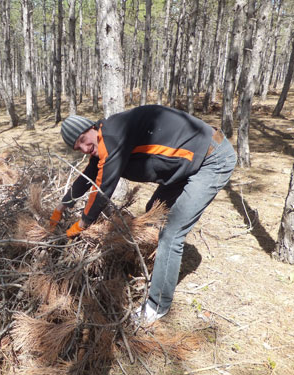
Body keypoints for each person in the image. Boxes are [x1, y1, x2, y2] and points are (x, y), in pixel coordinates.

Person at [50, 105, 237, 324]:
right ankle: (153, 268)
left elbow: (102, 188)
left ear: (92, 127)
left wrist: (83, 223)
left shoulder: (111, 134)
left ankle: (156, 307)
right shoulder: (106, 137)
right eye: (77, 147)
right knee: (154, 210)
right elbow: (89, 175)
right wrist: (61, 207)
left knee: (172, 234)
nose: (83, 148)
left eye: (83, 139)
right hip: (186, 165)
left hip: (211, 160)